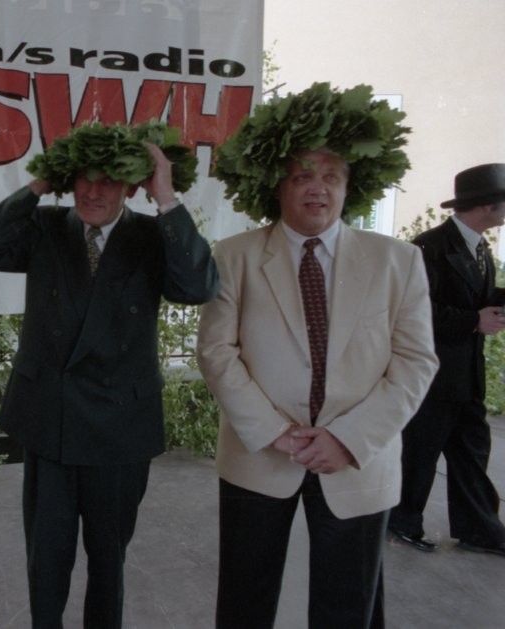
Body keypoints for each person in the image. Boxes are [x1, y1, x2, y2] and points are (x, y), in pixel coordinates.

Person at [199, 82, 439, 628]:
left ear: (349, 187)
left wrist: (348, 438)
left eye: (331, 176)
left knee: (349, 609)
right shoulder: (234, 257)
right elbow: (216, 351)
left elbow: (415, 361)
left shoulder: (398, 261)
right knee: (244, 603)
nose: (317, 188)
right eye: (302, 175)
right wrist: (274, 431)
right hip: (259, 458)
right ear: (278, 186)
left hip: (358, 460)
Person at [0, 121, 218, 629]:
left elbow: (197, 286)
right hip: (50, 420)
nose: (94, 191)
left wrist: (165, 195)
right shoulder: (44, 226)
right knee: (47, 558)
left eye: (109, 180)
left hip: (120, 428)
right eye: (84, 177)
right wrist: (43, 179)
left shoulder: (154, 235)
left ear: (131, 187)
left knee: (109, 560)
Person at [388, 163, 505, 556]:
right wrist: (473, 321)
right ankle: (402, 521)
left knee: (472, 451)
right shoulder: (429, 247)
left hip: (467, 374)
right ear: (487, 205)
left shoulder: (479, 246)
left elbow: (472, 296)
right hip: (434, 373)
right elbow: (414, 310)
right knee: (421, 451)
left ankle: (480, 529)